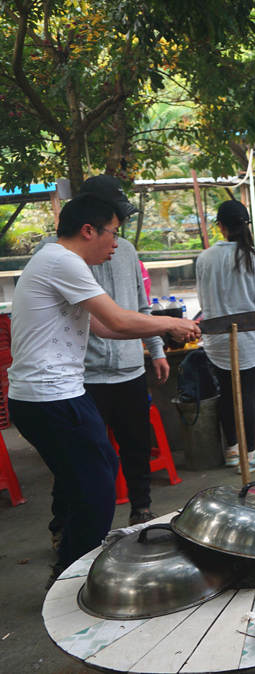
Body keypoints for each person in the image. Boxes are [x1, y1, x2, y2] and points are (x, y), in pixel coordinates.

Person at [8, 185, 199, 583]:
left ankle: (69, 569)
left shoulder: (52, 260)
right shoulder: (64, 262)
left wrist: (158, 339)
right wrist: (170, 322)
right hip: (52, 396)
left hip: (44, 397)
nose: (117, 244)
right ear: (89, 230)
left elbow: (102, 329)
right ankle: (73, 578)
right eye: (114, 232)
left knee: (89, 480)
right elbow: (117, 320)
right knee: (97, 487)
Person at [195, 200, 255, 474]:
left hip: (216, 342)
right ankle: (250, 453)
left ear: (220, 227)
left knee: (227, 394)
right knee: (248, 395)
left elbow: (202, 298)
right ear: (246, 226)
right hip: (248, 341)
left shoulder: (204, 258)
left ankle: (232, 450)